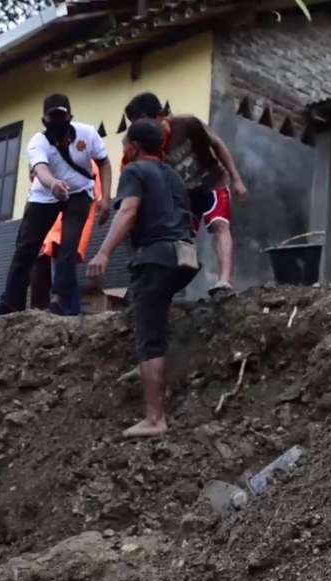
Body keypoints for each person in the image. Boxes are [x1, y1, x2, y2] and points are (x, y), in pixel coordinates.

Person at [87, 120, 197, 438]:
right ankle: (143, 369)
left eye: (124, 147)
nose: (123, 153)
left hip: (155, 257)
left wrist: (104, 252)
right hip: (185, 257)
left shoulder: (134, 171)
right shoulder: (174, 174)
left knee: (150, 337)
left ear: (134, 147)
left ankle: (154, 418)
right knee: (148, 311)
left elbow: (129, 212)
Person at [0, 94, 112, 317]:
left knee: (68, 246)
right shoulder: (38, 141)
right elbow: (41, 169)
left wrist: (105, 198)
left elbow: (104, 162)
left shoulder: (87, 133)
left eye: (61, 116)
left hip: (80, 193)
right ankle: (11, 302)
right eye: (52, 117)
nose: (57, 121)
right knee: (26, 247)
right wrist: (53, 183)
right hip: (45, 195)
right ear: (44, 120)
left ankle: (61, 300)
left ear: (70, 116)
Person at [124, 91, 248, 295]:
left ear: (156, 116)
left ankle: (224, 281)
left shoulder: (187, 124)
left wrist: (236, 178)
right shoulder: (149, 146)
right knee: (180, 239)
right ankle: (166, 289)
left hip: (212, 181)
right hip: (185, 195)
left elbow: (217, 144)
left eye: (139, 122)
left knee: (219, 225)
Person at [30, 163, 102, 311]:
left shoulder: (84, 164)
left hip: (66, 225)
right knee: (58, 267)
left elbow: (91, 194)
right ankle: (60, 306)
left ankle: (62, 305)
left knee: (62, 265)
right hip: (57, 228)